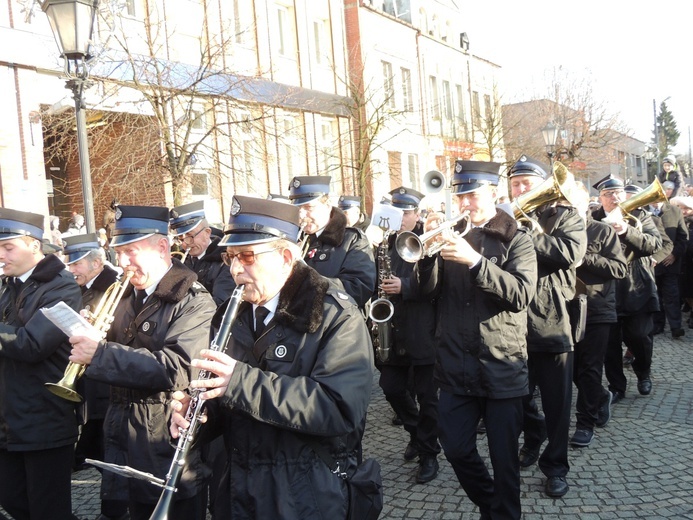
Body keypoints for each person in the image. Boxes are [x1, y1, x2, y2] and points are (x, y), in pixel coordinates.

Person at [168, 195, 374, 519]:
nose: (236, 268)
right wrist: (201, 414)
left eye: (247, 256)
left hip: (306, 494)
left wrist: (238, 381)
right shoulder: (228, 316)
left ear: (286, 256)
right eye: (229, 257)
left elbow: (339, 408)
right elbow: (228, 401)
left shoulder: (336, 315)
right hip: (239, 491)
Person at [67, 205, 216, 520]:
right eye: (118, 252)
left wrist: (100, 353)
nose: (122, 263)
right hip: (123, 436)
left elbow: (176, 367)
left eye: (131, 251)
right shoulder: (123, 296)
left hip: (166, 442)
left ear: (161, 247)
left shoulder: (194, 301)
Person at [415, 160, 537, 519]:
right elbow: (426, 293)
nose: (465, 202)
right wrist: (426, 256)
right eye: (461, 194)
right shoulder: (453, 235)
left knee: (504, 461)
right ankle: (490, 504)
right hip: (455, 364)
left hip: (501, 363)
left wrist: (476, 263)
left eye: (472, 194)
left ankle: (504, 513)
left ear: (494, 193)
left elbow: (521, 294)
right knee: (455, 449)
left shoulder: (518, 239)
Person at [508, 156, 586, 499]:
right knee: (516, 399)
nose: (520, 189)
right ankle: (533, 435)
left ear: (541, 186)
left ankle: (555, 467)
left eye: (527, 183)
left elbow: (570, 253)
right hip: (512, 326)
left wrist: (527, 235)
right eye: (515, 184)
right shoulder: (504, 218)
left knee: (557, 405)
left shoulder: (566, 216)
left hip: (553, 323)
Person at [0, 208, 83, 520]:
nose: (1, 255)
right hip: (10, 415)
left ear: (33, 245)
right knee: (14, 500)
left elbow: (32, 344)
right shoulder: (8, 284)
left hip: (44, 415)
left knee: (48, 510)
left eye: (8, 247)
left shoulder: (60, 284)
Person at [62, 233, 129, 520]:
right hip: (89, 383)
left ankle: (115, 509)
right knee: (97, 448)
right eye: (70, 262)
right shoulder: (80, 288)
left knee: (102, 448)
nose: (72, 268)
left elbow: (122, 333)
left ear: (97, 263)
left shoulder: (113, 286)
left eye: (77, 263)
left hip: (105, 386)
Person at [376, 187, 440, 483]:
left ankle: (429, 453)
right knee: (391, 388)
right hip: (393, 327)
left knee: (428, 398)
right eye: (396, 212)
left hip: (422, 329)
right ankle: (416, 433)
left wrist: (406, 287)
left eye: (406, 212)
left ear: (417, 214)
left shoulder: (428, 240)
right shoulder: (384, 243)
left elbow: (439, 286)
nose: (401, 218)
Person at [592, 175, 662, 404]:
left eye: (618, 192)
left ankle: (643, 372)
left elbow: (654, 244)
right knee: (609, 344)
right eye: (608, 194)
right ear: (600, 198)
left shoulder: (640, 215)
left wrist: (626, 230)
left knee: (640, 336)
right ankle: (616, 386)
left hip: (636, 287)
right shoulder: (592, 219)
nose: (614, 197)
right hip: (605, 288)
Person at [568, 187, 628, 447]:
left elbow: (619, 268)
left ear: (585, 206)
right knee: (572, 371)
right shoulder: (554, 231)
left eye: (572, 205)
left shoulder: (601, 230)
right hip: (565, 309)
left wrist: (586, 258)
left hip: (596, 309)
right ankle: (600, 397)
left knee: (590, 368)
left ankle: (585, 421)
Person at [288, 175, 376, 310]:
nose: (301, 215)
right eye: (298, 208)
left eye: (308, 207)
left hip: (337, 325)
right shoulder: (295, 239)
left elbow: (358, 289)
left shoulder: (352, 240)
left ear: (327, 205)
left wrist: (303, 269)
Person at [169, 201, 235, 306]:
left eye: (190, 236)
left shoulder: (225, 261)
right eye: (180, 239)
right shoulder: (177, 260)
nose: (185, 244)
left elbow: (220, 303)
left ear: (207, 233)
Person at [649, 190, 688, 338]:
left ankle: (675, 327)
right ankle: (657, 325)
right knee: (655, 296)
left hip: (671, 263)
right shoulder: (643, 212)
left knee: (672, 296)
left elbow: (683, 237)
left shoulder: (675, 211)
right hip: (653, 263)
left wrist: (674, 255)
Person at [669, 196, 693, 328]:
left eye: (687, 209)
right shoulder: (674, 220)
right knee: (683, 290)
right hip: (680, 260)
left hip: (690, 260)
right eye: (681, 208)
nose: (683, 211)